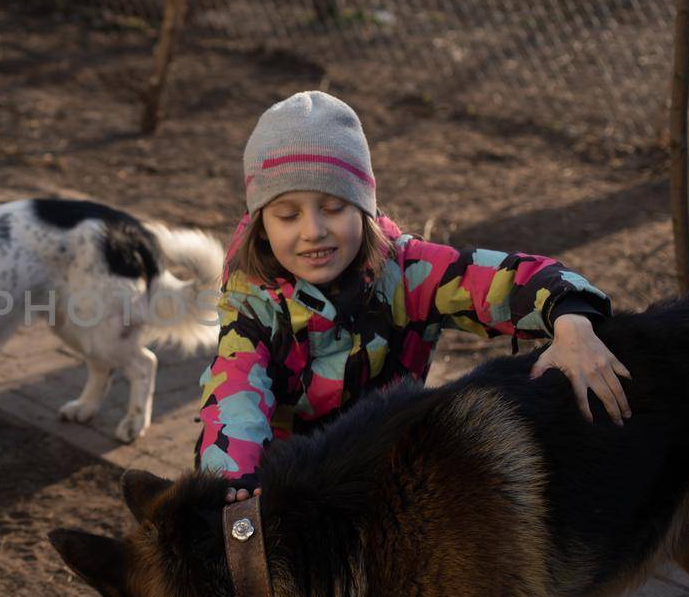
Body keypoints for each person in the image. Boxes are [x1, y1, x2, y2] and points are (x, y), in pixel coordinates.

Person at [199, 90, 631, 493]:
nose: (313, 231)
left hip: (381, 465)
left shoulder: (409, 273)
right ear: (262, 224)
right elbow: (234, 399)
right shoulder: (252, 302)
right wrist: (230, 489)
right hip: (283, 478)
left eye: (334, 207)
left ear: (364, 208)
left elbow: (501, 279)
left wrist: (570, 316)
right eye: (288, 214)